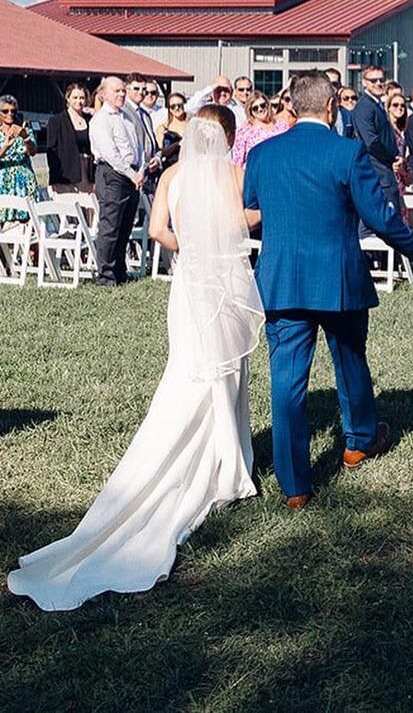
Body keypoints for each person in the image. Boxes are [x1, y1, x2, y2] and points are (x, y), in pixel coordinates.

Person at [7, 105, 264, 610]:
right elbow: (249, 218)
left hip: (189, 283)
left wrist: (188, 245)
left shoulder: (172, 174)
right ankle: (231, 464)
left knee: (194, 367)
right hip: (226, 282)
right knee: (228, 369)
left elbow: (157, 231)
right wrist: (228, 231)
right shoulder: (237, 174)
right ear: (230, 137)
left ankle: (223, 459)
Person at [242, 71, 413, 509]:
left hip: (281, 280)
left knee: (287, 382)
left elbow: (253, 208)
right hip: (338, 278)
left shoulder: (262, 154)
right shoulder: (347, 151)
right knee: (350, 361)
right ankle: (357, 441)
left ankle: (295, 485)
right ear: (334, 105)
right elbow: (380, 215)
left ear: (292, 108)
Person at [88, 76, 146, 286]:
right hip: (112, 174)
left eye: (123, 90)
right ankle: (105, 275)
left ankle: (119, 270)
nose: (121, 94)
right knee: (110, 226)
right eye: (116, 91)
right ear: (103, 94)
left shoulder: (127, 117)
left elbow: (137, 146)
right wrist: (132, 174)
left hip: (131, 174)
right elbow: (111, 155)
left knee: (125, 226)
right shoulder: (100, 120)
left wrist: (140, 169)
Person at [350, 66, 403, 210]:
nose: (379, 83)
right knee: (382, 221)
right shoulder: (365, 106)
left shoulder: (376, 104)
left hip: (384, 171)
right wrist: (392, 158)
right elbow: (371, 142)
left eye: (381, 79)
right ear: (364, 82)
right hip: (377, 172)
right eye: (373, 80)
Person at [45, 83, 94, 193]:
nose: (79, 101)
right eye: (75, 98)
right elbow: (52, 150)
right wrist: (56, 177)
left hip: (87, 171)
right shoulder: (56, 121)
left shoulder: (91, 120)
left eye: (82, 98)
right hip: (67, 171)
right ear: (68, 98)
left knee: (90, 207)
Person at [0, 95, 40, 222]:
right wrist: (5, 147)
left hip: (24, 181)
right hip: (3, 183)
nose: (9, 114)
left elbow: (33, 152)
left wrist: (25, 137)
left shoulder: (25, 130)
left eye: (13, 111)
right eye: (5, 111)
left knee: (28, 221)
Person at [230, 92, 283, 167]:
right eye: (255, 108)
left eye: (263, 105)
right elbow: (237, 161)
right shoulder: (244, 130)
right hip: (256, 172)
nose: (260, 109)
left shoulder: (282, 125)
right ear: (250, 111)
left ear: (268, 105)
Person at [157, 91, 189, 169]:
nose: (177, 108)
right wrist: (177, 145)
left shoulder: (191, 125)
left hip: (188, 167)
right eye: (173, 106)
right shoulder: (163, 128)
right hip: (169, 167)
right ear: (169, 109)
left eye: (179, 105)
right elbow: (160, 152)